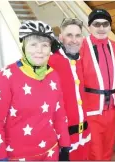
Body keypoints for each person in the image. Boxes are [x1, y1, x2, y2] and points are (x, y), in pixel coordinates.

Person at [0, 20, 71, 161]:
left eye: (45, 45)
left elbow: (59, 114)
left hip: (50, 153)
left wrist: (65, 145)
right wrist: (0, 157)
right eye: (33, 45)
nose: (39, 50)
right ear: (24, 47)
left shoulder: (53, 75)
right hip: (17, 157)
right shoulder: (6, 76)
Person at [79, 8, 115, 160]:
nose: (102, 28)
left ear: (110, 26)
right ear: (89, 27)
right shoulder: (81, 46)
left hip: (110, 109)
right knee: (94, 152)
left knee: (108, 150)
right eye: (97, 24)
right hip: (90, 110)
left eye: (105, 24)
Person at [48, 18, 91, 160]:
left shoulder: (80, 60)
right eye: (69, 35)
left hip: (83, 135)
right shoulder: (51, 62)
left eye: (78, 35)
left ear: (82, 38)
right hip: (62, 139)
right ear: (61, 37)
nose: (74, 40)